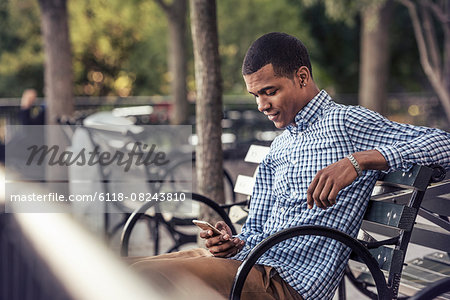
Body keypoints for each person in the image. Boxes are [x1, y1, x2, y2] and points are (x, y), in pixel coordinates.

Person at [128, 32, 450, 300]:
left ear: (302, 77)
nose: (261, 105)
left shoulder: (346, 122)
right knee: (122, 268)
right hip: (250, 262)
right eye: (255, 95)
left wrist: (359, 160)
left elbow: (444, 144)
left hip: (285, 283)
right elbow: (258, 231)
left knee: (145, 278)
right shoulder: (279, 147)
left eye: (270, 92)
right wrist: (234, 242)